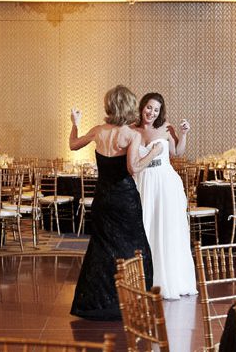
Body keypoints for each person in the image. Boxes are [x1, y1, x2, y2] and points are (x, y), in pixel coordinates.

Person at [68, 85, 163, 320]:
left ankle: (95, 305)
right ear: (130, 106)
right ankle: (132, 301)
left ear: (109, 105)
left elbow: (73, 144)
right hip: (125, 201)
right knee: (135, 249)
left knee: (101, 250)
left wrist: (75, 123)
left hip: (102, 199)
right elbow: (134, 168)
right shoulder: (132, 135)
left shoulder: (98, 131)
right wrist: (155, 151)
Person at [132, 93, 197, 300]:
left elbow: (177, 152)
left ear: (161, 112)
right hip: (143, 181)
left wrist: (184, 133)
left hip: (165, 183)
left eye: (156, 110)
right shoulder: (133, 129)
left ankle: (169, 280)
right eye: (149, 108)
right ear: (142, 107)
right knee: (145, 226)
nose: (151, 113)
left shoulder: (166, 128)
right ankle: (145, 278)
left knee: (166, 229)